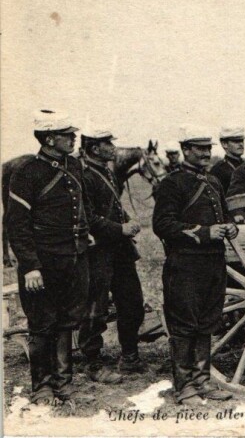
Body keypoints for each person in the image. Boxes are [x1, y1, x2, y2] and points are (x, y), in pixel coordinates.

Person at [6, 110, 114, 405]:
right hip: (43, 264)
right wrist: (30, 267)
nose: (74, 138)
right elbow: (17, 225)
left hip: (75, 259)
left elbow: (81, 209)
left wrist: (84, 234)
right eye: (67, 134)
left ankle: (63, 383)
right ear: (49, 138)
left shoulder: (75, 167)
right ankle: (41, 387)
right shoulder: (27, 172)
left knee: (68, 322)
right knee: (42, 324)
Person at [152, 125, 238, 405]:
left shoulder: (213, 181)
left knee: (207, 323)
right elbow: (162, 224)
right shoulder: (172, 183)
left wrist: (230, 227)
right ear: (185, 150)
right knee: (184, 325)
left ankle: (202, 381)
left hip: (213, 262)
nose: (205, 153)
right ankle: (184, 386)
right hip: (185, 264)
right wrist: (204, 232)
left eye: (208, 148)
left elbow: (225, 215)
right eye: (199, 148)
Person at [77, 126, 145, 383]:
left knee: (132, 303)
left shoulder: (106, 170)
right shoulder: (83, 175)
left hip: (120, 250)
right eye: (108, 143)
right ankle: (93, 364)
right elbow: (88, 217)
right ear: (95, 148)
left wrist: (127, 220)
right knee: (95, 309)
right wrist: (121, 228)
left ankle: (129, 357)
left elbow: (112, 206)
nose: (113, 147)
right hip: (98, 251)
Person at [209, 126, 245, 194]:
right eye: (236, 141)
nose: (241, 144)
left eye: (242, 140)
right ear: (224, 144)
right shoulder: (218, 170)